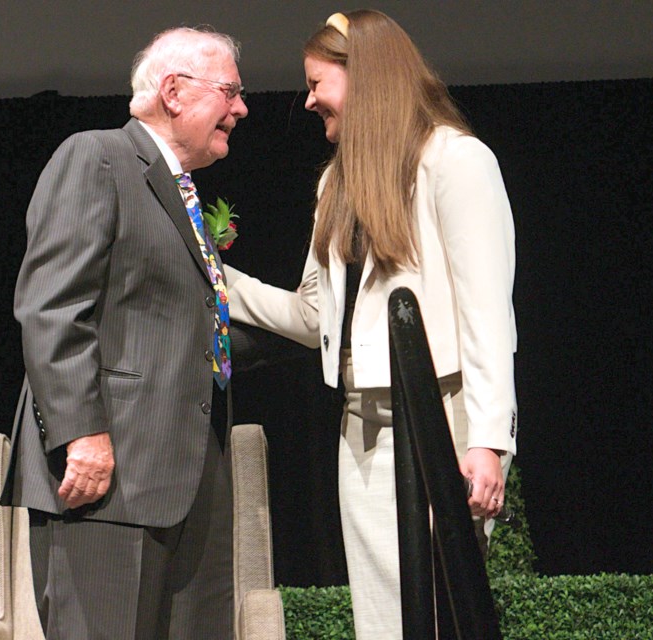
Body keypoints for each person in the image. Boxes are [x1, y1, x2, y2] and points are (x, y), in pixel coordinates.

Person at [224, 10, 517, 639]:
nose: (307, 101)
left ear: (365, 77)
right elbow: (314, 317)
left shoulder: (457, 162)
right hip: (359, 429)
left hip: (441, 420)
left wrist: (489, 441)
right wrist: (220, 283)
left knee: (439, 609)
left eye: (316, 82)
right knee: (382, 619)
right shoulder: (337, 182)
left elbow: (488, 313)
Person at [0, 26, 248, 640]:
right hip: (108, 473)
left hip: (185, 472)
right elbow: (52, 307)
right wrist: (82, 434)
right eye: (231, 92)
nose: (241, 109)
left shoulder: (178, 193)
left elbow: (184, 325)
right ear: (174, 92)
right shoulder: (98, 156)